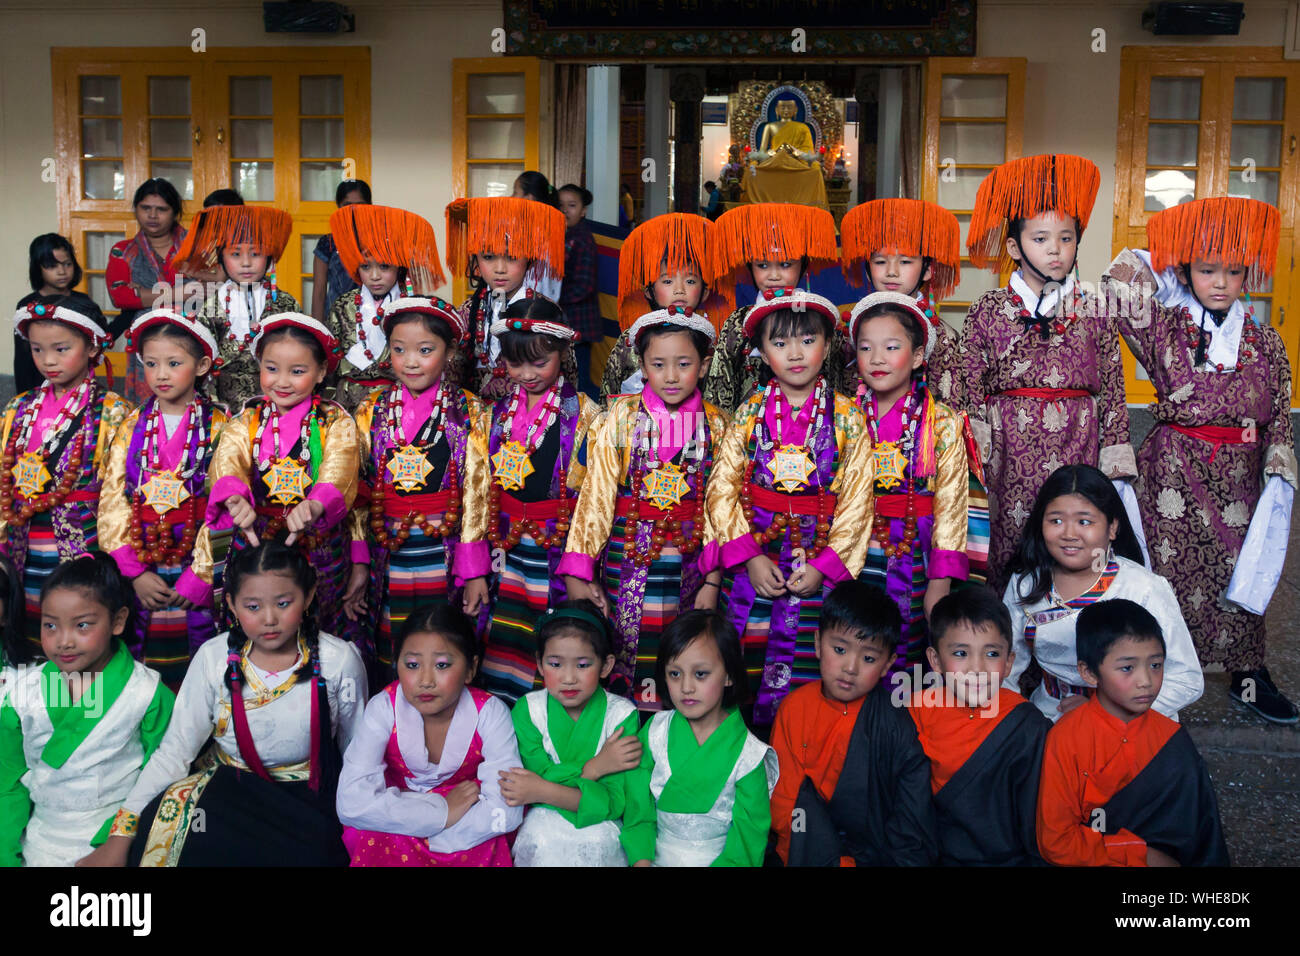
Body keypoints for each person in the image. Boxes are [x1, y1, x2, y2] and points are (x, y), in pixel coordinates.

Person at [1104, 197, 1297, 724]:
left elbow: (1280, 407)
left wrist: (1280, 466)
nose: (1220, 282)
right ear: (1186, 271)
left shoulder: (1267, 340)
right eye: (1206, 269)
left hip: (1240, 474)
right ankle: (1154, 673)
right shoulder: (1166, 327)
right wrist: (1163, 259)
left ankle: (1247, 676)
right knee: (1165, 573)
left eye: (1233, 271)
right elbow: (1116, 287)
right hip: (1174, 468)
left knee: (1243, 570)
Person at [96, 542, 367, 866]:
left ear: (308, 596)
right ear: (232, 604)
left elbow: (358, 755)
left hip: (308, 799)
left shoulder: (339, 661)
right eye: (252, 606)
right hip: (231, 794)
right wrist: (120, 835)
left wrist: (360, 831)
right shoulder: (214, 657)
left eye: (283, 603)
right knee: (159, 832)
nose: (269, 619)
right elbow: (174, 752)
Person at [954, 154, 1137, 594]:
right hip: (1005, 449)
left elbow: (1112, 385)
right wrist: (973, 456)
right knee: (1008, 542)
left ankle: (1068, 642)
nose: (1055, 249)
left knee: (1070, 540)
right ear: (1015, 247)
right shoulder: (988, 309)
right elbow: (968, 384)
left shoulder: (1095, 309)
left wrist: (1113, 456)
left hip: (1077, 439)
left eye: (1066, 237)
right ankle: (1006, 642)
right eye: (1040, 238)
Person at [707, 289, 875, 726]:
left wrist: (825, 566)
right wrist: (750, 557)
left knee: (807, 664)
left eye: (807, 340)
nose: (795, 353)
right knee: (746, 655)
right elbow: (722, 489)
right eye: (779, 344)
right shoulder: (748, 414)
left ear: (828, 345)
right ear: (762, 352)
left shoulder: (848, 417)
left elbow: (857, 501)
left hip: (815, 560)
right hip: (758, 559)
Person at [562, 305, 728, 710]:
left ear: (704, 366)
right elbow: (596, 498)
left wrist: (712, 582)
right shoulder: (617, 418)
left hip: (688, 564)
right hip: (627, 555)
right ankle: (623, 729)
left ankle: (673, 730)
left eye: (684, 363)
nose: (671, 376)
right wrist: (580, 569)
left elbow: (721, 509)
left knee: (681, 650)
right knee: (624, 648)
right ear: (642, 364)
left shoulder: (719, 425)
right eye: (658, 364)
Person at [460, 297, 598, 703]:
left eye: (539, 362)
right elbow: (476, 489)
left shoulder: (587, 414)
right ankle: (501, 719)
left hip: (556, 546)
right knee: (500, 638)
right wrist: (472, 567)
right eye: (516, 364)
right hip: (505, 549)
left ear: (562, 353)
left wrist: (580, 565)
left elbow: (593, 497)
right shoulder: (493, 414)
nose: (526, 374)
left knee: (553, 637)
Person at [0, 553, 174, 867]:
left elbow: (161, 776)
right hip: (39, 840)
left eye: (82, 625)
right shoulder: (21, 693)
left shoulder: (147, 693)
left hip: (116, 838)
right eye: (50, 625)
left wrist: (117, 839)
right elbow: (6, 784)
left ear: (118, 621)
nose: (63, 641)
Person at [197, 313, 360, 642]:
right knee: (258, 623)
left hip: (317, 545)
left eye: (297, 372)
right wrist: (233, 495)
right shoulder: (248, 419)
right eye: (271, 369)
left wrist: (316, 505)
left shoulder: (334, 421)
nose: (282, 382)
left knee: (319, 630)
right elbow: (228, 457)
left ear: (320, 372)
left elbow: (340, 466)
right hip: (258, 539)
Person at [346, 297, 484, 676]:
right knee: (392, 643)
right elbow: (358, 489)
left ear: (450, 351)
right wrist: (359, 560)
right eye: (399, 349)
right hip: (386, 550)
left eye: (425, 350)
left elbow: (477, 491)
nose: (410, 361)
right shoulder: (370, 410)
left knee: (443, 638)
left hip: (444, 551)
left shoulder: (470, 411)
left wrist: (472, 569)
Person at [1036, 599, 1229, 866]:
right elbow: (1055, 842)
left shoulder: (1171, 738)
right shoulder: (1066, 739)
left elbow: (1202, 836)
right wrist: (1139, 853)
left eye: (1156, 665)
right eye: (1127, 668)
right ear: (1089, 673)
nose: (1146, 681)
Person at [1004, 464, 1204, 722]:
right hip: (1051, 715)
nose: (1069, 534)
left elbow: (1187, 680)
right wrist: (1014, 723)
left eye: (1084, 521)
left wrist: (1103, 712)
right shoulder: (1025, 583)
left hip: (1130, 721)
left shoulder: (1143, 588)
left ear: (1112, 528)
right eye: (1056, 520)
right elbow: (1004, 666)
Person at [98, 310, 230, 690]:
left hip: (195, 564)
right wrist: (133, 572)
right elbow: (112, 500)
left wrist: (201, 575)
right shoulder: (131, 425)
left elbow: (224, 507)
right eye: (151, 363)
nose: (161, 374)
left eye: (174, 363)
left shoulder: (221, 425)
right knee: (145, 664)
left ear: (202, 364)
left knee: (203, 665)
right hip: (144, 564)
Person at [337, 603, 521, 866]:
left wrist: (435, 839)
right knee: (371, 830)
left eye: (442, 665)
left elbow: (505, 809)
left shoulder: (491, 714)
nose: (425, 680)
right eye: (412, 664)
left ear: (471, 668)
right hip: (403, 825)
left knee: (492, 837)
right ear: (396, 664)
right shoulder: (383, 708)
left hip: (466, 830)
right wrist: (441, 813)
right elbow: (351, 802)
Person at [770, 580, 937, 866]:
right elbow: (785, 801)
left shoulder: (897, 724)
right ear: (818, 644)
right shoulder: (794, 708)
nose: (851, 667)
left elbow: (911, 816)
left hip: (876, 854)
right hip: (806, 849)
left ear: (887, 665)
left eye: (869, 657)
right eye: (839, 650)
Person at [848, 292, 971, 673]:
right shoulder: (843, 416)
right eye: (866, 348)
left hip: (913, 552)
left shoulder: (942, 422)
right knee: (853, 635)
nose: (878, 358)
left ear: (918, 357)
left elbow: (951, 507)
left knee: (905, 645)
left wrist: (940, 580)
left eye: (892, 347)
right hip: (852, 550)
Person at [1, 301, 130, 651]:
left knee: (77, 623)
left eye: (61, 349)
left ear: (91, 347)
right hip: (22, 539)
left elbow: (120, 490)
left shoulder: (113, 410)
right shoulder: (19, 408)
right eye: (38, 349)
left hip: (82, 539)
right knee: (29, 622)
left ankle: (82, 699)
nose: (48, 360)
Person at [620, 609, 778, 867]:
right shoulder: (653, 732)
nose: (686, 687)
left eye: (700, 674)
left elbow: (746, 844)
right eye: (675, 674)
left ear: (728, 675)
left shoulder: (750, 755)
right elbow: (638, 812)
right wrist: (641, 861)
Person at [909, 587, 1049, 866]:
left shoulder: (1027, 726)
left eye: (992, 654)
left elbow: (1039, 827)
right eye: (960, 653)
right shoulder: (914, 714)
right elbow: (903, 814)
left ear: (1009, 662)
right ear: (935, 661)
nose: (977, 668)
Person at [503, 602, 641, 867]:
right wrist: (595, 769)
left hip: (602, 826)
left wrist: (542, 790)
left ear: (605, 665)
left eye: (582, 665)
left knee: (599, 843)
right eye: (555, 664)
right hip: (543, 823)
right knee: (542, 840)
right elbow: (529, 780)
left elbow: (615, 801)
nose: (568, 678)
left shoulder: (621, 714)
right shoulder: (528, 710)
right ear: (540, 665)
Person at [703, 202, 847, 410]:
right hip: (747, 432)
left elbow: (836, 384)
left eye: (786, 264)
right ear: (750, 267)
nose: (774, 275)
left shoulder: (821, 318)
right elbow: (719, 394)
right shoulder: (737, 322)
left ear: (803, 265)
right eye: (762, 265)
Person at [178, 204, 300, 414]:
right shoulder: (211, 307)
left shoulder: (286, 304)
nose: (245, 263)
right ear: (221, 258)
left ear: (270, 257)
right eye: (235, 254)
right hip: (223, 407)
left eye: (256, 253)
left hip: (278, 404)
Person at [839, 197, 963, 403]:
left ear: (927, 270)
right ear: (868, 270)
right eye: (880, 261)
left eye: (905, 261)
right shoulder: (851, 329)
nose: (891, 272)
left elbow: (950, 405)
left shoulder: (943, 336)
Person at [324, 203, 444, 411]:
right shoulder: (343, 305)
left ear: (399, 266)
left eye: (384, 266)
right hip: (347, 400)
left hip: (396, 401)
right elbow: (330, 359)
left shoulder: (413, 307)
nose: (375, 275)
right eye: (365, 266)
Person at [445, 196, 567, 401]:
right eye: (488, 257)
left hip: (530, 417)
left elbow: (566, 378)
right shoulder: (466, 311)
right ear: (476, 258)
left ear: (530, 258)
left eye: (511, 257)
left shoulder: (546, 312)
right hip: (474, 420)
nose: (499, 269)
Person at [600, 212, 724, 398]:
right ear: (649, 291)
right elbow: (609, 393)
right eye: (667, 281)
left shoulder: (713, 340)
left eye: (690, 281)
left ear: (705, 292)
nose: (679, 290)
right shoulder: (630, 340)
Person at [106, 179, 188, 404]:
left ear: (175, 213)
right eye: (145, 208)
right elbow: (120, 297)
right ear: (136, 210)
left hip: (191, 338)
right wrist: (180, 294)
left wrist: (144, 294)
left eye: (161, 209)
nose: (153, 215)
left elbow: (208, 291)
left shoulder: (195, 247)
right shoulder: (123, 251)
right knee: (148, 412)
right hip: (146, 340)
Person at [15, 235, 103, 396]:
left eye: (67, 264)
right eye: (52, 266)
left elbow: (101, 337)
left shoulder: (82, 302)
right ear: (37, 268)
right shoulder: (27, 306)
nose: (62, 271)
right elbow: (22, 359)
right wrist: (25, 396)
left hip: (78, 385)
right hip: (40, 385)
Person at [556, 184, 602, 399]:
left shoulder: (582, 239)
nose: (565, 210)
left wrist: (554, 300)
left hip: (579, 323)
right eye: (560, 205)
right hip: (569, 322)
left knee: (580, 381)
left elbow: (584, 286)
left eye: (572, 205)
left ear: (583, 210)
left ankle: (598, 417)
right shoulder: (563, 236)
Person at [311, 179, 370, 322]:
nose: (353, 210)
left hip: (373, 318)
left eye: (360, 205)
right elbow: (319, 292)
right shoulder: (328, 243)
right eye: (347, 205)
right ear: (338, 207)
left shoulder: (380, 241)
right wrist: (317, 331)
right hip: (337, 321)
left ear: (370, 206)